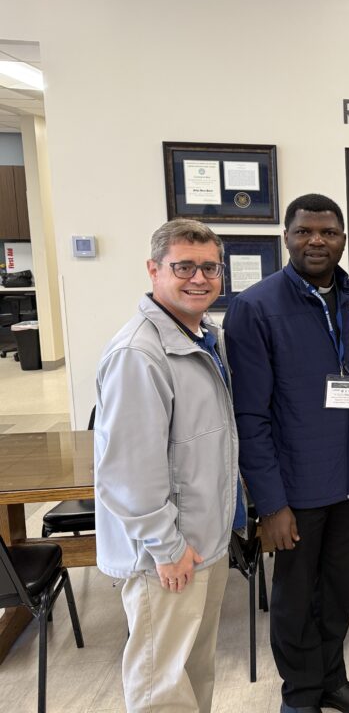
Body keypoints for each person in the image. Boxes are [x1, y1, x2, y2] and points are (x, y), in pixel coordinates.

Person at [224, 194, 349, 713]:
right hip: (296, 488)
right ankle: (299, 696)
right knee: (296, 598)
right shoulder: (256, 307)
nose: (316, 241)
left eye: (328, 232)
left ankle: (331, 680)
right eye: (304, 231)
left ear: (343, 239)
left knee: (339, 591)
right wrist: (271, 504)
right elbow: (250, 417)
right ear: (287, 238)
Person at [94, 219, 238, 712]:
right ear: (153, 270)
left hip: (202, 541)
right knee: (162, 686)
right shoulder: (139, 353)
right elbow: (128, 471)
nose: (199, 278)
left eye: (210, 268)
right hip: (168, 554)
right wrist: (166, 545)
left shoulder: (203, 338)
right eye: (184, 267)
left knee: (193, 670)